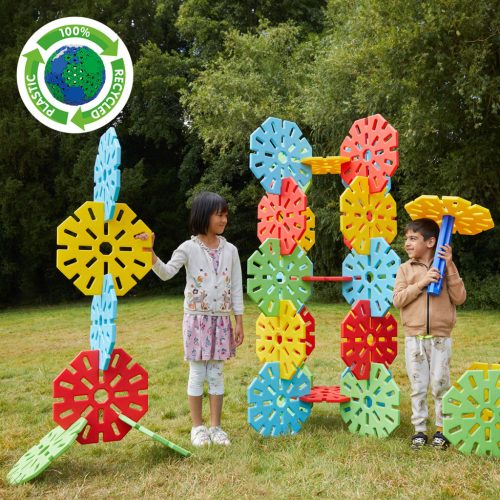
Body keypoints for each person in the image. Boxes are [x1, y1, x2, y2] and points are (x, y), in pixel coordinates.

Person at [135, 192, 244, 447]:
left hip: (221, 322)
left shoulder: (231, 250)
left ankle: (216, 428)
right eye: (219, 215)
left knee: (216, 374)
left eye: (225, 215)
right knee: (197, 373)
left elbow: (237, 288)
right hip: (196, 321)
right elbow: (165, 273)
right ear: (203, 215)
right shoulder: (188, 248)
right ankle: (197, 428)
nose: (224, 219)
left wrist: (239, 321)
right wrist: (149, 251)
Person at [393, 218, 466, 451]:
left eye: (413, 238)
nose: (407, 243)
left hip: (440, 338)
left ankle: (442, 430)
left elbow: (460, 298)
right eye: (407, 238)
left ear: (431, 242)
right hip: (414, 338)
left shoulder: (446, 266)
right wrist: (422, 283)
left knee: (440, 384)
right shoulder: (405, 269)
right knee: (418, 386)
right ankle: (420, 431)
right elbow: (398, 300)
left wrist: (450, 266)